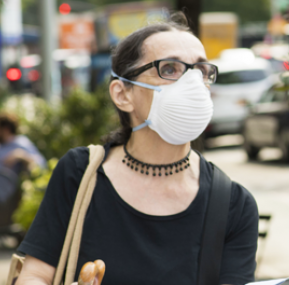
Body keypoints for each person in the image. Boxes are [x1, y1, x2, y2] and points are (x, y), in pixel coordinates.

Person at [15, 16, 259, 285]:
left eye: (201, 70)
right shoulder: (81, 174)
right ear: (122, 94)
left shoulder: (233, 204)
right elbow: (34, 275)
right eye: (170, 68)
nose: (193, 83)